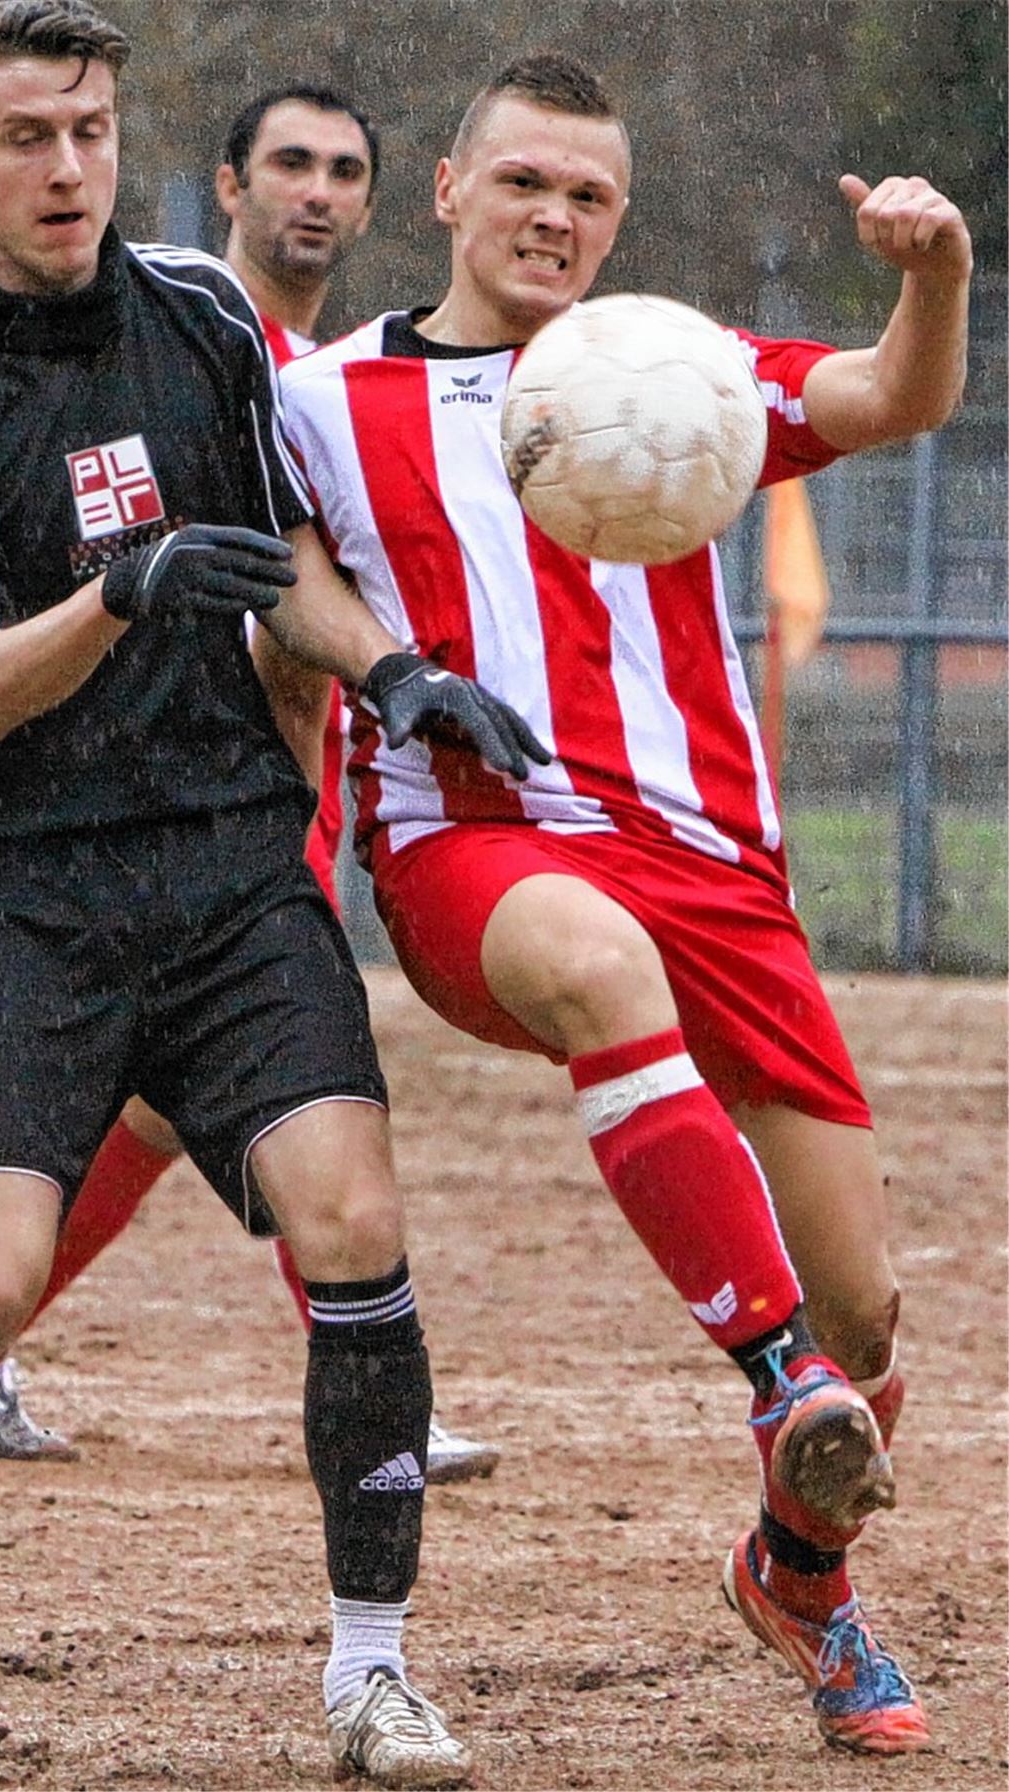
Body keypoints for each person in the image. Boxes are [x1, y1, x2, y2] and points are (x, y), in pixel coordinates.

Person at [0, 9, 550, 1783]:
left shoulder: (197, 318)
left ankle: (372, 1673)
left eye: (88, 128)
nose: (67, 167)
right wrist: (124, 589)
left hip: (226, 859)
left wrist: (395, 673)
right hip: (13, 881)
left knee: (353, 1224)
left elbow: (289, 564)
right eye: (25, 135)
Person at [271, 51, 973, 1760]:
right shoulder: (319, 400)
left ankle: (800, 1573)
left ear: (619, 222)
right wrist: (397, 675)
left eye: (589, 196)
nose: (555, 219)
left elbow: (891, 399)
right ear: (446, 191)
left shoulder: (679, 365)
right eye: (524, 184)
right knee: (598, 964)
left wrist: (935, 274)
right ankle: (776, 1380)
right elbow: (279, 568)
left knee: (873, 1315)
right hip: (473, 840)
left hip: (718, 869)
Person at [0, 79, 501, 1487]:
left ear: (379, 201)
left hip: (281, 774)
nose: (317, 193)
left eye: (343, 171)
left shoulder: (313, 369)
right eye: (290, 167)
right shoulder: (185, 331)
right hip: (180, 794)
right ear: (229, 184)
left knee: (158, 1106)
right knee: (259, 1099)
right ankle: (366, 1355)